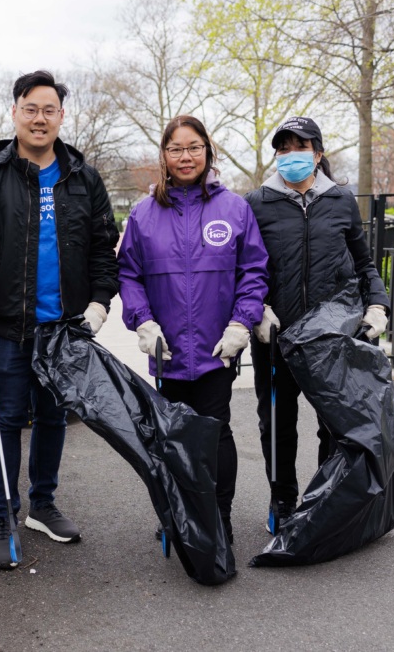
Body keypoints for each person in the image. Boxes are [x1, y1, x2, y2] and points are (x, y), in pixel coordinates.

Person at [0, 70, 120, 570]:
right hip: (6, 328)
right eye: (31, 108)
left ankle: (42, 505)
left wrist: (99, 301)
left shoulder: (82, 178)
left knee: (53, 418)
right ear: (15, 112)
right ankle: (2, 516)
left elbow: (102, 248)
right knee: (5, 422)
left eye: (49, 110)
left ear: (61, 117)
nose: (40, 118)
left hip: (64, 328)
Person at [117, 114, 269, 545]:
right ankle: (178, 513)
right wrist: (142, 321)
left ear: (208, 150)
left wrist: (242, 322)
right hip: (165, 350)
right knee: (172, 436)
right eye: (176, 149)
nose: (186, 156)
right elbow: (128, 275)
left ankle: (219, 517)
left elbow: (253, 271)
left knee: (216, 431)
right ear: (164, 156)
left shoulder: (234, 208)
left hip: (217, 347)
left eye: (194, 147)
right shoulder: (145, 214)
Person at [245, 116, 390, 529]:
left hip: (331, 337)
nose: (292, 155)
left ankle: (325, 497)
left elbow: (364, 263)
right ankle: (283, 501)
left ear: (319, 154)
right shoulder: (257, 202)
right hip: (276, 334)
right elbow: (245, 269)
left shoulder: (341, 200)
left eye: (301, 147)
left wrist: (376, 305)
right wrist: (258, 309)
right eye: (284, 148)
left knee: (334, 423)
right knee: (277, 423)